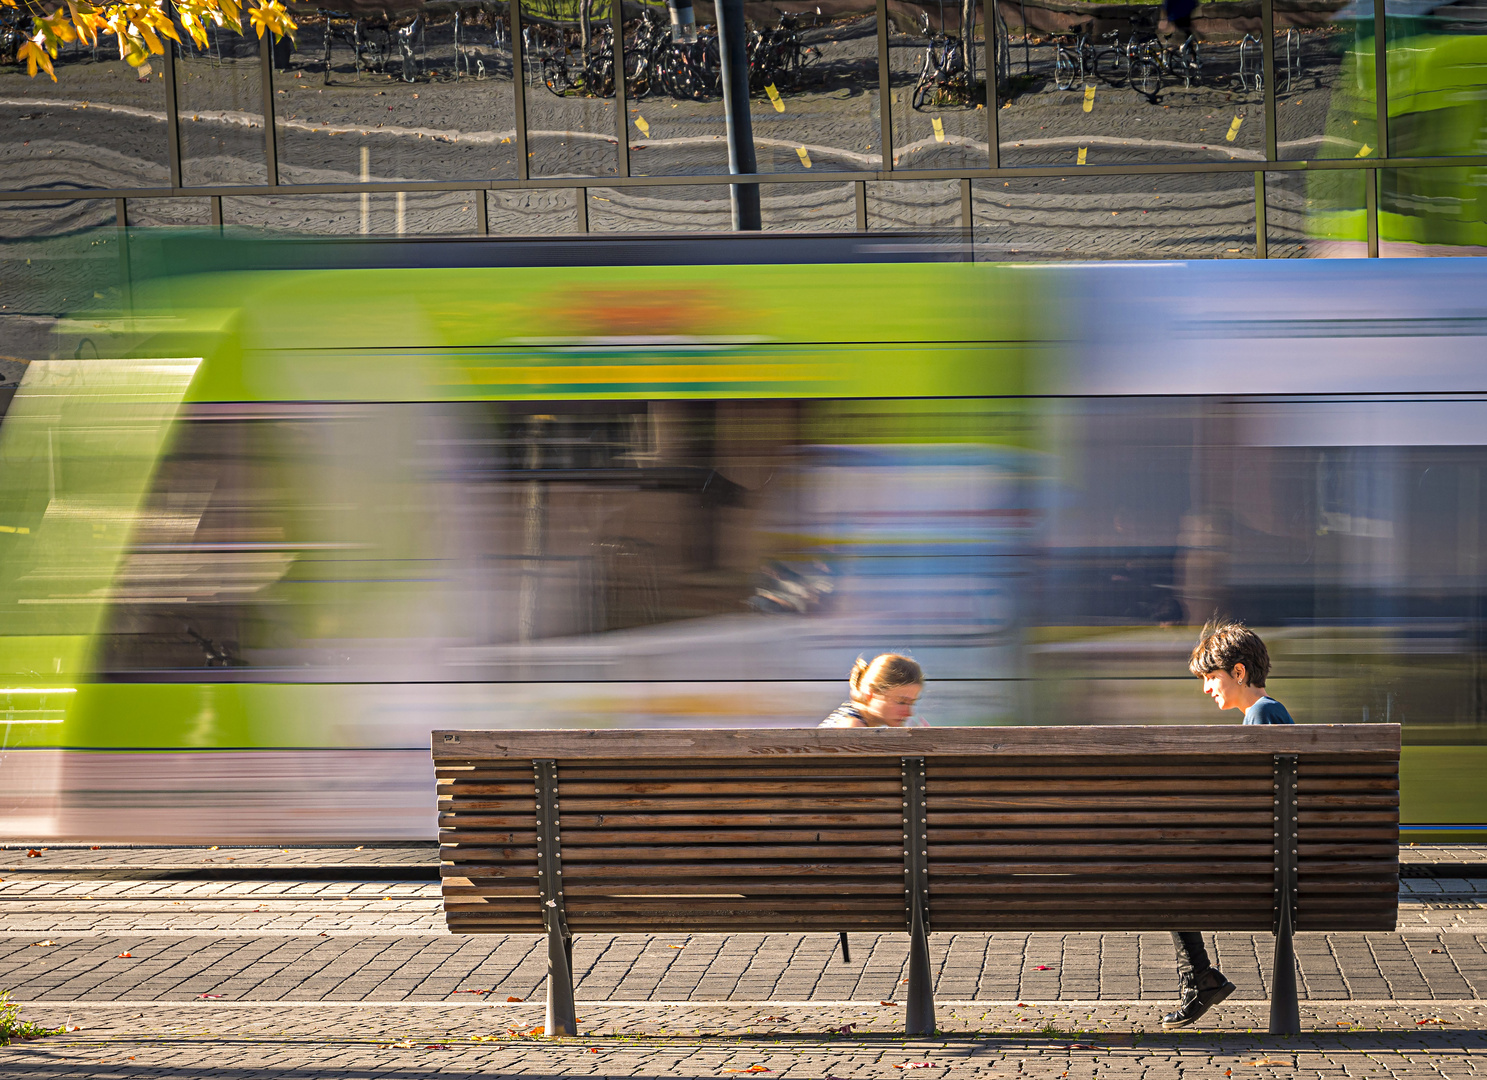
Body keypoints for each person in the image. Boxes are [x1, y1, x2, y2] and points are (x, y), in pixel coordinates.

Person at [1162, 619, 1293, 1030]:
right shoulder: (1268, 714)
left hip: (1262, 869)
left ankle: (1200, 979)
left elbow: (1252, 812)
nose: (1205, 688)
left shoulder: (1263, 715)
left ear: (1239, 672)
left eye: (1211, 677)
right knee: (1171, 873)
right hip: (1272, 860)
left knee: (1167, 878)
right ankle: (1201, 979)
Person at [819, 654, 925, 728]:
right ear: (871, 694)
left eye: (912, 703)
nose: (908, 713)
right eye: (901, 702)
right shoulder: (853, 727)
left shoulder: (854, 718)